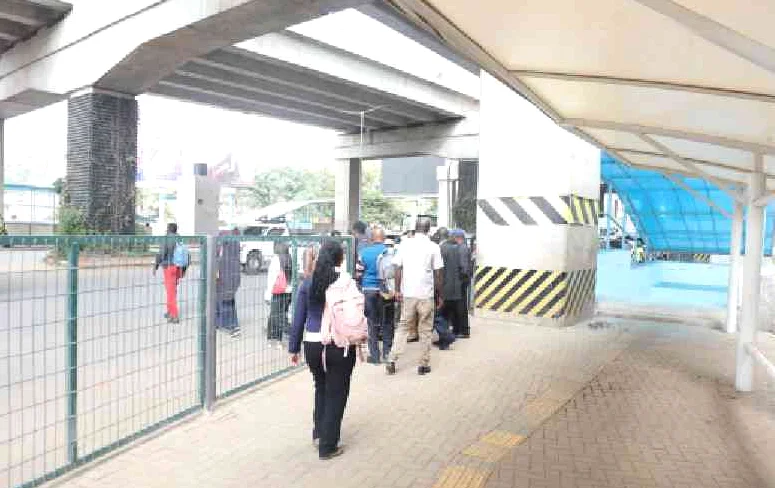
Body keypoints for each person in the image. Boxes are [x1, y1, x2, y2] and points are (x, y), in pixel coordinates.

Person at [289, 240, 356, 460]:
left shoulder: (308, 282)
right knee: (337, 392)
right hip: (337, 344)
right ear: (341, 259)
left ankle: (319, 433)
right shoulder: (345, 282)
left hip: (312, 344)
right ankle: (328, 446)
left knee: (321, 386)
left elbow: (298, 318)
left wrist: (293, 348)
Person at [385, 218, 443, 376]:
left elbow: (397, 268)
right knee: (425, 330)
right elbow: (438, 273)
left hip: (408, 294)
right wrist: (440, 295)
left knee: (403, 327)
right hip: (426, 295)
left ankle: (391, 359)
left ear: (415, 228)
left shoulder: (404, 244)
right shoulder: (434, 247)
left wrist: (397, 290)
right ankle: (423, 365)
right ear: (428, 229)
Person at [359, 227, 388, 364]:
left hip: (368, 290)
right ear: (384, 237)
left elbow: (358, 273)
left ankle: (375, 356)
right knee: (387, 322)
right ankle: (388, 353)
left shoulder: (364, 252)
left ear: (371, 238)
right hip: (385, 291)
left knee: (371, 323)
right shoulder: (389, 251)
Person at [440, 229, 470, 339]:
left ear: (457, 238)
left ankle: (463, 330)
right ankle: (458, 329)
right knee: (458, 306)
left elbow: (464, 267)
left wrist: (461, 280)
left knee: (460, 307)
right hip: (460, 281)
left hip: (460, 281)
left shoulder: (461, 248)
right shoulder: (461, 247)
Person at [153, 223, 186, 324]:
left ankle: (174, 315)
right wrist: (183, 269)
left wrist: (156, 265)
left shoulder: (166, 238)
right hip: (178, 267)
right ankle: (169, 310)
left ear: (168, 229)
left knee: (170, 291)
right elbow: (185, 253)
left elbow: (161, 253)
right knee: (172, 290)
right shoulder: (180, 239)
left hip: (169, 267)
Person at [216, 229, 241, 337]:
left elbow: (218, 262)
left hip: (224, 278)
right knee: (229, 300)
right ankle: (231, 324)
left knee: (224, 300)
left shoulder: (224, 249)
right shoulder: (235, 248)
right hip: (233, 278)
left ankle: (227, 325)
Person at [266, 241, 292, 342]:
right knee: (278, 314)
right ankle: (273, 337)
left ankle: (290, 332)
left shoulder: (276, 259)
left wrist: (268, 294)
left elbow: (272, 278)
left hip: (277, 291)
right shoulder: (289, 257)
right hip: (288, 291)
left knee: (277, 316)